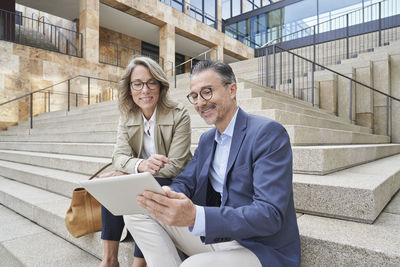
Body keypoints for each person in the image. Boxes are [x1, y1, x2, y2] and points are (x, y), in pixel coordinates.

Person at [123, 60, 301, 267]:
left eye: (207, 92)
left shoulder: (267, 133)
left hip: (259, 248)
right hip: (219, 236)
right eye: (195, 96)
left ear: (232, 89)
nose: (200, 102)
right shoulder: (208, 140)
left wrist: (197, 215)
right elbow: (185, 181)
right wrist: (165, 194)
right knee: (137, 211)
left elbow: (269, 214)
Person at [99, 56, 192, 267]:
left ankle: (139, 262)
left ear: (160, 85)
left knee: (144, 189)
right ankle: (109, 260)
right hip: (143, 174)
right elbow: (119, 157)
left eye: (151, 82)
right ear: (130, 88)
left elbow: (176, 164)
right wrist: (139, 166)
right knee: (113, 185)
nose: (145, 90)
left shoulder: (179, 114)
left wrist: (133, 173)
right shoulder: (127, 115)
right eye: (137, 84)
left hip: (173, 180)